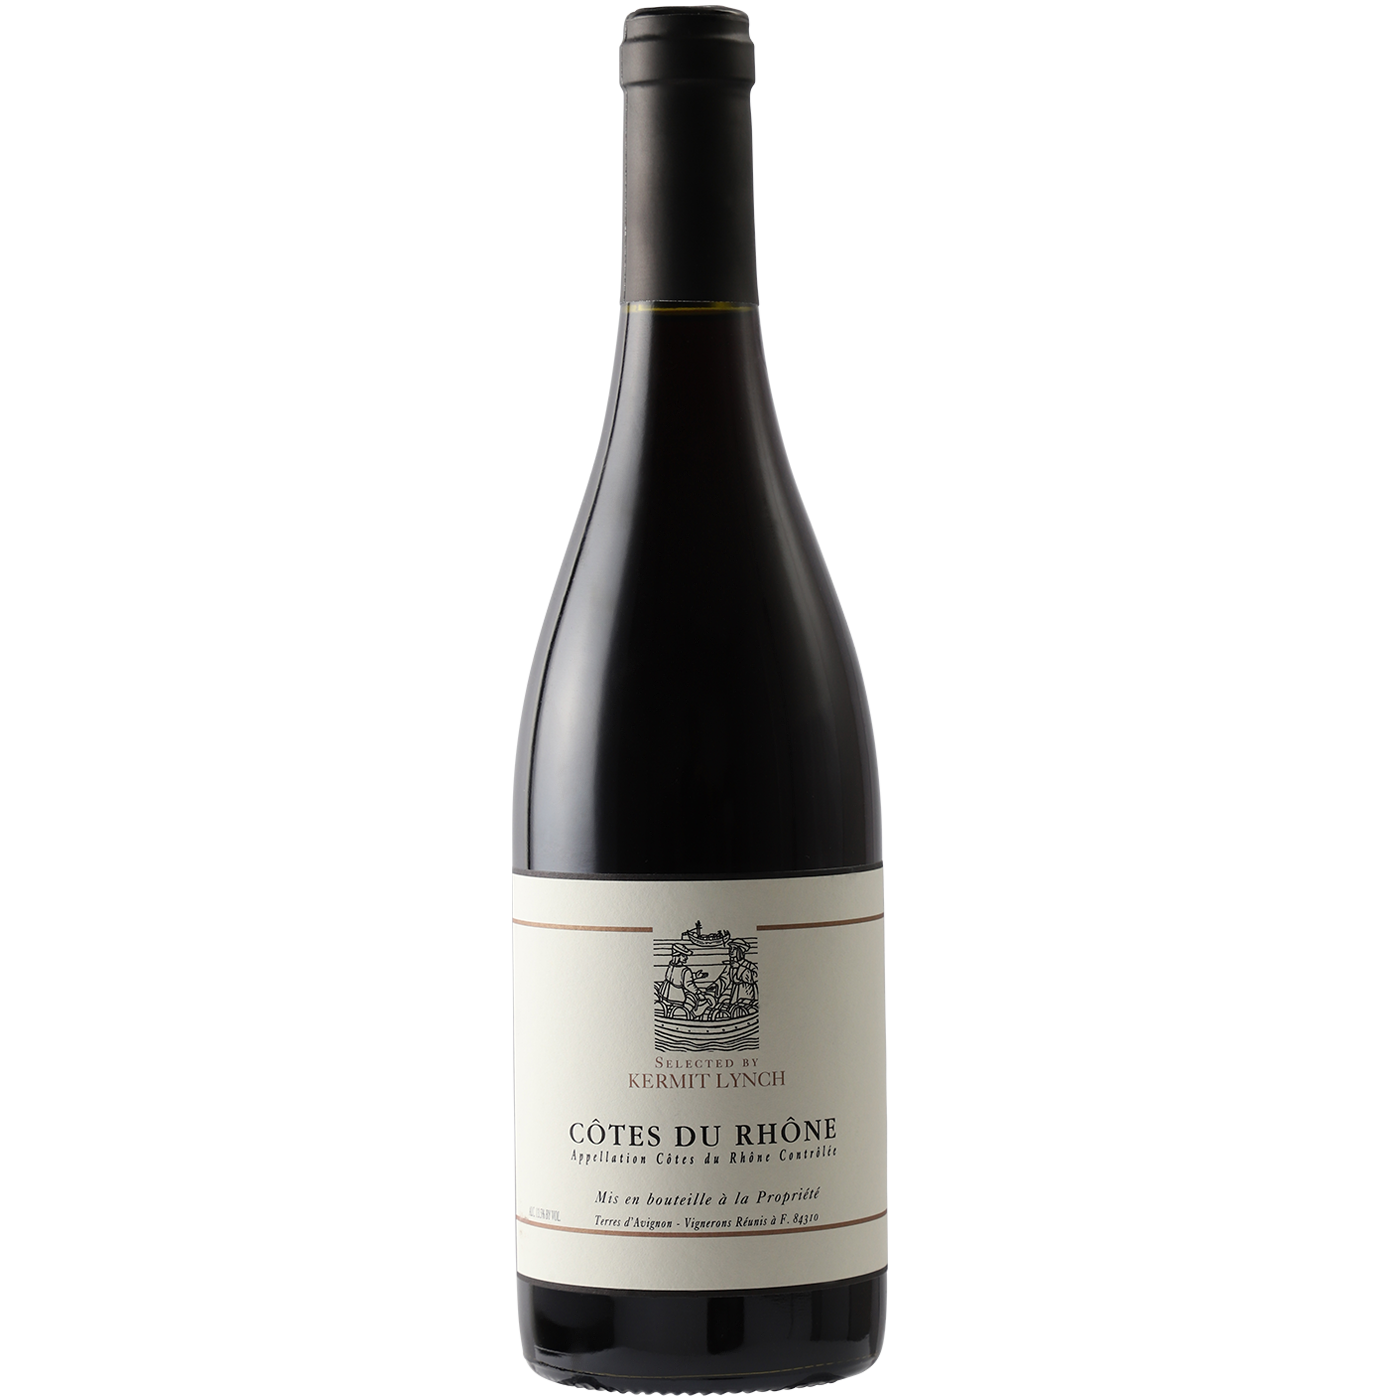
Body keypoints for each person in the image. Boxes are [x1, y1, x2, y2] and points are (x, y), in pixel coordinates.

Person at [657, 945, 704, 1018]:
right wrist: (698, 993)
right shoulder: (685, 970)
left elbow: (678, 978)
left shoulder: (671, 966)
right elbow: (688, 985)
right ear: (678, 956)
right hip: (676, 996)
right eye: (684, 956)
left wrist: (695, 976)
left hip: (664, 993)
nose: (686, 958)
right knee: (691, 1001)